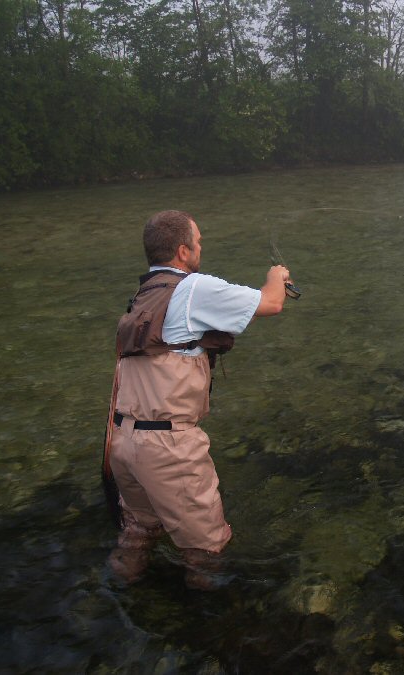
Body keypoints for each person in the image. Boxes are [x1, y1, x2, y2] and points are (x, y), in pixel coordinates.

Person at [105, 210, 291, 587]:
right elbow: (271, 303)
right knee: (207, 550)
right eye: (199, 242)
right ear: (183, 251)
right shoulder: (192, 289)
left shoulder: (143, 296)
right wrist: (278, 276)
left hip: (123, 440)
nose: (201, 249)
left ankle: (113, 599)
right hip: (169, 446)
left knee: (138, 533)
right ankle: (208, 624)